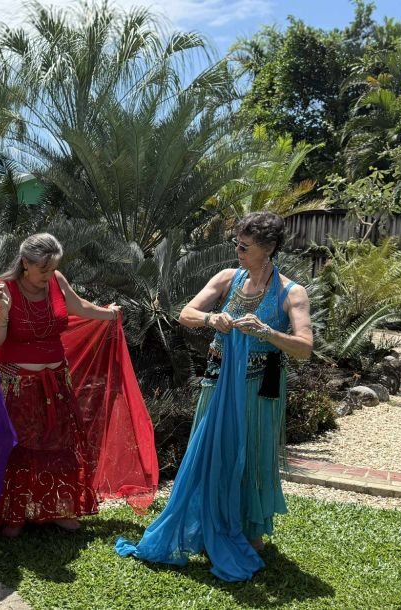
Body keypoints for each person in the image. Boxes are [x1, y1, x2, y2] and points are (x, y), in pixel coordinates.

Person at [116, 211, 313, 582]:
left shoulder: (291, 292)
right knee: (211, 450)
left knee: (252, 453)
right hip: (218, 381)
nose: (238, 251)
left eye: (245, 246)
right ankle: (208, 522)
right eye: (236, 243)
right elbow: (186, 313)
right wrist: (211, 320)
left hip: (259, 387)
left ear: (269, 248)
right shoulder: (227, 278)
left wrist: (268, 332)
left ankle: (248, 527)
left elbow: (304, 347)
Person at [0, 233, 158, 538]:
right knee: (21, 448)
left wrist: (109, 314)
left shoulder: (56, 281)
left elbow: (77, 306)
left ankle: (57, 510)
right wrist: (2, 311)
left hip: (56, 381)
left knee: (58, 444)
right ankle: (15, 515)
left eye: (52, 268)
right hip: (18, 385)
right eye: (42, 269)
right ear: (25, 263)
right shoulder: (4, 289)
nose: (48, 275)